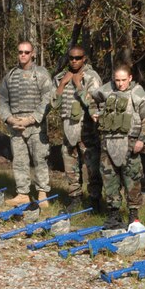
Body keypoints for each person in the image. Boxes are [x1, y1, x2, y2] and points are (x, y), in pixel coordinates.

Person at [89, 64, 145, 229]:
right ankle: (113, 215)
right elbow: (90, 98)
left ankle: (133, 216)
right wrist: (94, 114)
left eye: (123, 80)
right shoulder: (106, 89)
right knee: (109, 179)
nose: (120, 84)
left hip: (130, 142)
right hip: (108, 142)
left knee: (131, 179)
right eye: (117, 80)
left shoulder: (137, 92)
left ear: (130, 78)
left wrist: (142, 140)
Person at [0, 40, 54, 207]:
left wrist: (31, 119)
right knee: (20, 160)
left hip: (35, 126)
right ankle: (23, 193)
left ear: (33, 54)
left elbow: (48, 99)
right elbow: (2, 99)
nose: (23, 55)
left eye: (26, 52)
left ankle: (42, 192)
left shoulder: (41, 74)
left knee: (39, 159)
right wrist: (10, 119)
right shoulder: (10, 76)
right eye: (20, 52)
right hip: (16, 126)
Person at [50, 45, 103, 211]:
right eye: (71, 58)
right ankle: (75, 198)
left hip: (87, 130)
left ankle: (94, 200)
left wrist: (78, 85)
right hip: (68, 129)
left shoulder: (91, 77)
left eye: (78, 58)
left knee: (92, 167)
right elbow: (54, 103)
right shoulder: (60, 77)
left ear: (84, 58)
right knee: (70, 165)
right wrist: (63, 84)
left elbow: (95, 103)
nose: (74, 61)